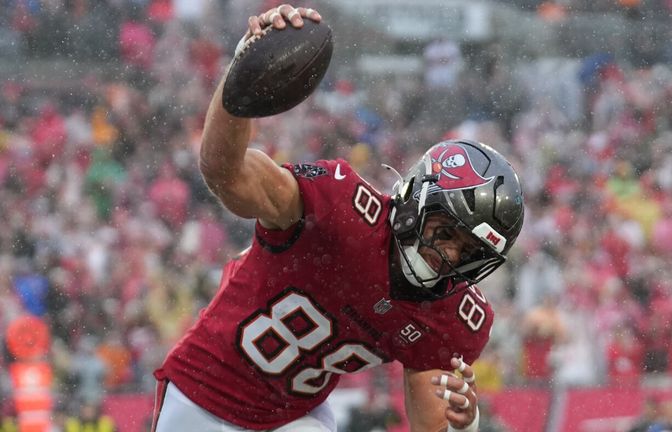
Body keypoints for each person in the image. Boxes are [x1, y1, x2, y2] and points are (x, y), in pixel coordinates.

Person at [151, 4, 524, 432]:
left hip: (295, 416)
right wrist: (244, 75)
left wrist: (462, 425)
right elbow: (224, 171)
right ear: (417, 200)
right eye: (446, 231)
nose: (449, 255)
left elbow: (433, 424)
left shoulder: (453, 314)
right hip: (205, 395)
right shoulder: (341, 209)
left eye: (469, 252)